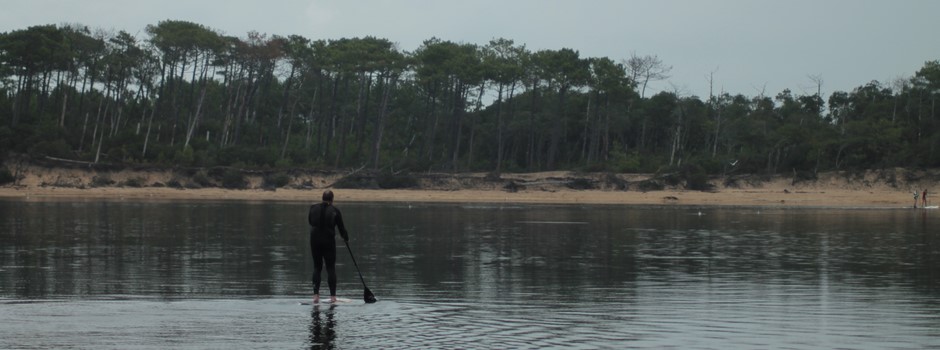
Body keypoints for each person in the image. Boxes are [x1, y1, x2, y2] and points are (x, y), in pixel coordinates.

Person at [308, 190, 349, 303]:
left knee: (317, 267)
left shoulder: (313, 208)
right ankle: (333, 297)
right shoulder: (335, 211)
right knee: (330, 268)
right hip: (328, 241)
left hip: (314, 241)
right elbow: (341, 229)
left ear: (322, 198)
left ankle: (316, 296)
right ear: (332, 199)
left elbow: (311, 222)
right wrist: (346, 238)